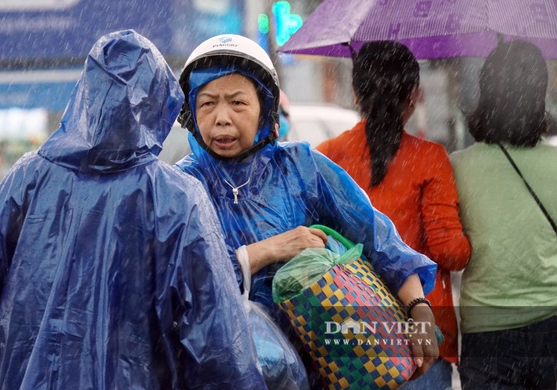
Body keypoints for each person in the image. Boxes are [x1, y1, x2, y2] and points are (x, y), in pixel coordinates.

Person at [0, 30, 266, 390]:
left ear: (85, 94)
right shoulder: (177, 197)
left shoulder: (26, 178)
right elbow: (220, 344)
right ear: (156, 103)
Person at [174, 34, 440, 386]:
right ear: (192, 112)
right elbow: (181, 280)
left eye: (238, 103)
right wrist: (273, 248)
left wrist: (418, 310)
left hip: (316, 372)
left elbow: (379, 240)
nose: (221, 118)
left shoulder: (302, 168)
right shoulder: (180, 187)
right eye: (207, 104)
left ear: (265, 109)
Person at [316, 41, 471, 390]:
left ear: (356, 95)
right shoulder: (431, 159)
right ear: (414, 96)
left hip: (350, 329)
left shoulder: (326, 157)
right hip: (422, 338)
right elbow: (449, 251)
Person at [450, 40, 557, 390]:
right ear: (539, 95)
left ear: (486, 96)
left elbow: (447, 248)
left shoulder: (457, 168)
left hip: (487, 333)